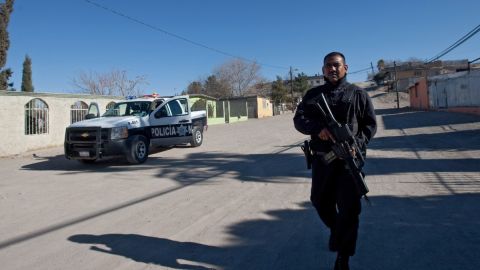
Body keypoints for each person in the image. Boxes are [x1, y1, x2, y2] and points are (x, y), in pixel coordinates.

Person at [293, 52, 377, 270]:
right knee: (320, 201)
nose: (332, 69)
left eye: (337, 65)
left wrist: (356, 143)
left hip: (349, 161)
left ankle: (343, 257)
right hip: (323, 160)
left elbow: (369, 125)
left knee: (349, 209)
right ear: (323, 70)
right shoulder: (313, 95)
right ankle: (337, 229)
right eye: (328, 66)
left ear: (345, 68)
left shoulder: (358, 94)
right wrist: (317, 129)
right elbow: (299, 119)